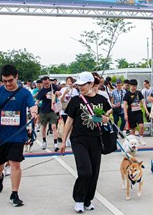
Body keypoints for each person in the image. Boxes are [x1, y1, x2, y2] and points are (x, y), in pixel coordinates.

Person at [0, 64, 37, 207]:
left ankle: (14, 194)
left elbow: (32, 105)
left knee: (15, 163)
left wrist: (34, 113)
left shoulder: (24, 93)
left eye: (10, 80)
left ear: (17, 77)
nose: (7, 84)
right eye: (4, 81)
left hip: (17, 135)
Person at [60, 72, 111, 213]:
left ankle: (88, 199)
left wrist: (105, 118)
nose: (80, 87)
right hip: (78, 140)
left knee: (94, 172)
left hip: (95, 139)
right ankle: (79, 199)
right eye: (79, 85)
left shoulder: (101, 99)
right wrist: (63, 141)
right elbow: (69, 121)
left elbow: (106, 114)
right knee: (85, 171)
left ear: (91, 84)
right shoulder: (76, 101)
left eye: (83, 84)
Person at [37, 76, 61, 151]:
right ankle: (44, 141)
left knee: (54, 127)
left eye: (47, 83)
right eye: (44, 83)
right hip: (43, 111)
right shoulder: (42, 91)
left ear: (49, 81)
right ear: (42, 83)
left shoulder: (53, 86)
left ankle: (55, 143)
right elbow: (38, 100)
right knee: (44, 127)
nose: (46, 85)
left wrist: (58, 93)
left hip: (52, 110)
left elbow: (58, 92)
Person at [123, 79, 147, 145]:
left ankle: (141, 138)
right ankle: (132, 143)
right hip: (131, 113)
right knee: (133, 129)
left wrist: (146, 110)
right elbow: (124, 105)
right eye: (133, 86)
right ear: (130, 86)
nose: (134, 88)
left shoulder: (138, 93)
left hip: (138, 112)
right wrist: (125, 115)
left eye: (135, 86)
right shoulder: (127, 94)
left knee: (141, 126)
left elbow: (143, 102)